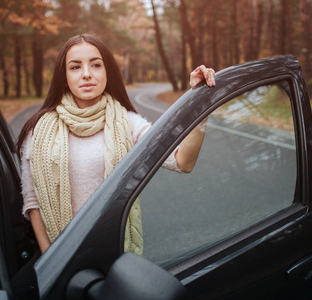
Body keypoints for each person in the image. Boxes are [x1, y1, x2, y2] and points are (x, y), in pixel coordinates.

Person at [17, 34, 215, 255]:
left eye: (95, 65)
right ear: (63, 76)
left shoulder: (128, 124)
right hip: (59, 256)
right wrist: (51, 263)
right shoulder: (39, 131)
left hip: (114, 254)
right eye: (75, 67)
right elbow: (33, 203)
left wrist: (200, 103)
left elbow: (182, 162)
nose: (86, 74)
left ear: (107, 72)